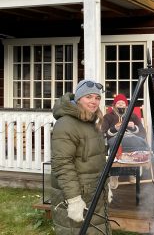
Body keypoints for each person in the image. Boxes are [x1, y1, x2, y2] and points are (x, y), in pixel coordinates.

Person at [50, 79, 112, 234]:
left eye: (97, 98)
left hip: (94, 192)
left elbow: (97, 158)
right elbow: (62, 164)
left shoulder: (91, 122)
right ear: (78, 99)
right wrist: (74, 199)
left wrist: (106, 183)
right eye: (89, 97)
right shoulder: (66, 124)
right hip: (77, 194)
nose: (94, 101)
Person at [101, 93, 148, 189]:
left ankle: (133, 172)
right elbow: (103, 134)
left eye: (123, 103)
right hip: (115, 139)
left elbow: (143, 133)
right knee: (118, 145)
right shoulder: (108, 117)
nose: (121, 105)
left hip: (131, 137)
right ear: (114, 105)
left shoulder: (132, 116)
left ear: (126, 106)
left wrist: (133, 127)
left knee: (140, 143)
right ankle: (114, 175)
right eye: (119, 103)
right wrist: (115, 128)